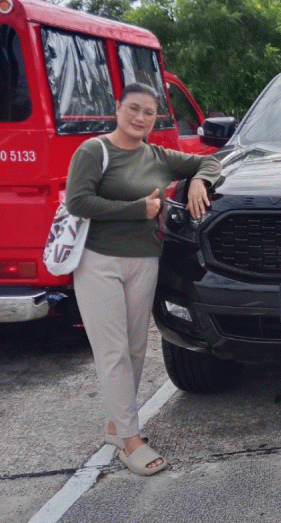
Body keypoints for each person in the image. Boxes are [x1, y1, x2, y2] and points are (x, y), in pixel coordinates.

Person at [66, 82, 222, 476]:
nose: (140, 118)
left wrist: (201, 180)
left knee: (135, 349)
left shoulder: (157, 155)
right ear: (117, 109)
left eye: (148, 113)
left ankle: (116, 425)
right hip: (98, 262)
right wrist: (138, 209)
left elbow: (210, 160)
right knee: (113, 350)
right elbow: (78, 201)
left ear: (156, 119)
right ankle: (130, 440)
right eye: (133, 109)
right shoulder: (94, 151)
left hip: (144, 262)